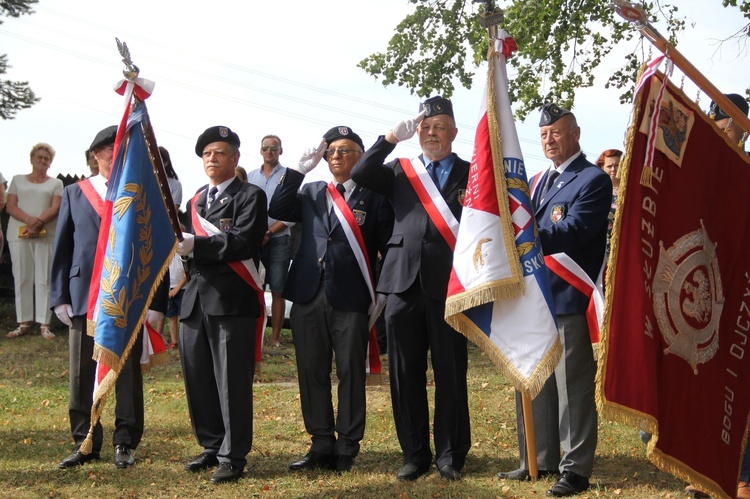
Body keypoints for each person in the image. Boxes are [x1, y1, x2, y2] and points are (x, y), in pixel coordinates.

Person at [351, 96, 471, 481]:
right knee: (405, 374)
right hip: (402, 283)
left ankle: (451, 455)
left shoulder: (473, 172)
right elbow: (361, 170)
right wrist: (389, 138)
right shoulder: (400, 170)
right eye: (424, 127)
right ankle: (415, 453)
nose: (430, 133)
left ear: (453, 132)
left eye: (438, 126)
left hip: (451, 282)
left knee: (451, 372)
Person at [497, 104, 611, 497]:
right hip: (534, 296)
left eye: (557, 133)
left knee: (571, 385)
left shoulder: (593, 179)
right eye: (544, 134)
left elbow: (577, 228)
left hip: (568, 296)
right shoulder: (536, 180)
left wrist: (527, 234)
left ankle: (575, 468)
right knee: (534, 377)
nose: (549, 140)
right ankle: (538, 459)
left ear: (575, 134)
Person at [269, 126, 393, 473]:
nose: (337, 157)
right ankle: (320, 442)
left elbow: (386, 245)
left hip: (351, 295)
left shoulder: (374, 196)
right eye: (332, 152)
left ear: (361, 156)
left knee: (350, 371)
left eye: (346, 150)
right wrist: (296, 172)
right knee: (311, 371)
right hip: (308, 292)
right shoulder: (311, 191)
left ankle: (347, 445)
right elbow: (278, 207)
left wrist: (381, 291)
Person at [177, 125, 267, 484]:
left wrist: (195, 246)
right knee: (198, 378)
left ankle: (233, 454)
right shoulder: (196, 200)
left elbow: (242, 243)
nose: (212, 159)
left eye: (219, 153)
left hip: (231, 300)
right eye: (207, 154)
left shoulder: (251, 196)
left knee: (231, 380)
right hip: (195, 300)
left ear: (235, 158)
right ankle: (212, 444)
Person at [51, 125, 144, 469]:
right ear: (94, 156)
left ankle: (125, 440)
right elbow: (63, 247)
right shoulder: (76, 192)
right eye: (106, 150)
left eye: (118, 149)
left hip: (125, 294)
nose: (112, 155)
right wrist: (59, 294)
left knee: (126, 371)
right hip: (83, 294)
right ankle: (85, 440)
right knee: (81, 372)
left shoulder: (134, 192)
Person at [685, 93, 749, 499]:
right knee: (709, 381)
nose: (717, 130)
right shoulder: (702, 176)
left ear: (742, 128)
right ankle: (707, 470)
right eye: (712, 123)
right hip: (713, 291)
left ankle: (744, 475)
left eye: (723, 123)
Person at [6, 143, 64, 340]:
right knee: (22, 277)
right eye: (39, 157)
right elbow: (10, 206)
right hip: (18, 234)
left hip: (46, 234)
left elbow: (56, 207)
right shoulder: (17, 180)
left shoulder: (55, 183)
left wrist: (38, 222)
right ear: (31, 159)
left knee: (44, 279)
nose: (42, 161)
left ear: (50, 163)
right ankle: (23, 322)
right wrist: (29, 220)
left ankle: (44, 323)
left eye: (46, 158)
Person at [247, 135, 294, 347]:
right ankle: (253, 335)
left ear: (280, 151)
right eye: (265, 147)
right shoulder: (249, 177)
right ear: (260, 150)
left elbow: (292, 213)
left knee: (277, 289)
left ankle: (274, 338)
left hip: (279, 239)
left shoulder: (289, 177)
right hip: (253, 242)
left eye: (274, 148)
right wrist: (258, 234)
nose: (269, 151)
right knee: (253, 288)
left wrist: (269, 232)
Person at [595, 149, 622, 259]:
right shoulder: (596, 191)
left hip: (624, 245)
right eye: (609, 166)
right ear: (602, 168)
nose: (613, 169)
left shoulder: (633, 192)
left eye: (617, 165)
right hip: (601, 247)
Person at [165, 251, 187, 349]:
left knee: (183, 316)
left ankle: (185, 339)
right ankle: (174, 341)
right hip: (169, 289)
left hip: (183, 289)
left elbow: (187, 274)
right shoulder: (166, 255)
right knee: (172, 317)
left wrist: (177, 289)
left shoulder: (182, 255)